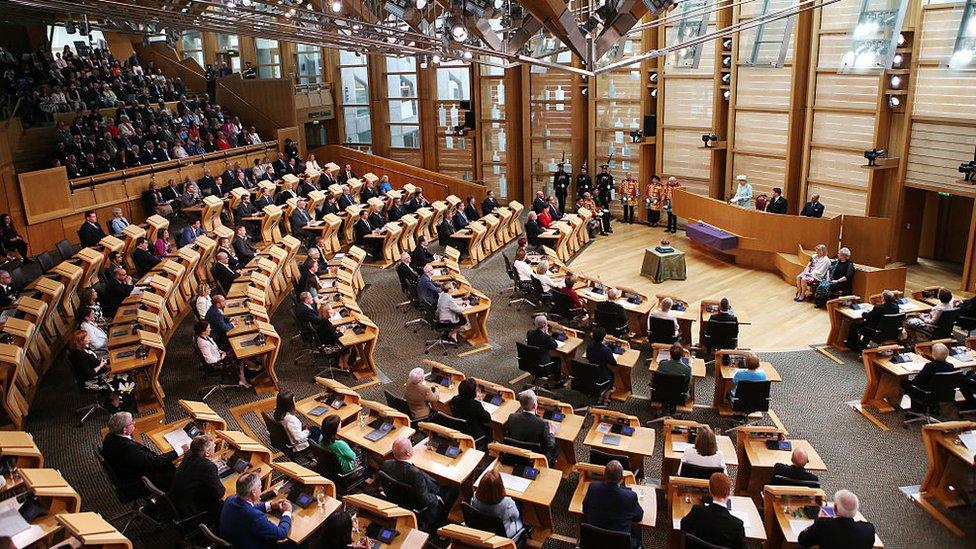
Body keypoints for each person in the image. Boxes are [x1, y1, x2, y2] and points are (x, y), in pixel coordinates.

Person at [380, 437, 458, 531]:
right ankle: (438, 523)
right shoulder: (415, 474)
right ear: (408, 453)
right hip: (419, 506)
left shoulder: (385, 464)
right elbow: (424, 499)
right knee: (454, 490)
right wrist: (436, 498)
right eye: (411, 446)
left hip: (398, 499)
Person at [102, 411, 179, 491]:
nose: (134, 422)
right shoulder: (130, 449)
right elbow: (156, 462)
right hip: (136, 481)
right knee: (177, 469)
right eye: (132, 422)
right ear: (124, 429)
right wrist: (178, 451)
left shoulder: (109, 436)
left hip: (123, 470)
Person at [219, 472, 293, 547]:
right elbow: (282, 534)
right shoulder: (255, 517)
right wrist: (287, 512)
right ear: (253, 492)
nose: (261, 488)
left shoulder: (230, 499)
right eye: (260, 486)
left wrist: (270, 506)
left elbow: (247, 508)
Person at [582, 460, 643, 549]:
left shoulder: (593, 487)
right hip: (620, 545)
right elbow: (639, 517)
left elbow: (585, 509)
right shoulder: (630, 496)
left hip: (594, 542)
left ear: (604, 475)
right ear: (622, 479)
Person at [680, 472, 746, 549]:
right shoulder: (737, 524)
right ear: (729, 492)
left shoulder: (697, 511)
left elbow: (683, 526)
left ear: (710, 490)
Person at [168, 434, 225, 522]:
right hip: (188, 510)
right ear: (207, 453)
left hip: (173, 502)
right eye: (214, 446)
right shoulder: (208, 467)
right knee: (222, 503)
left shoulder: (189, 453)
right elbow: (220, 493)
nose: (215, 447)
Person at [797, 489, 876, 548]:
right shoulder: (869, 529)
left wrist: (819, 520)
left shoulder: (823, 525)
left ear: (834, 508)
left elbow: (802, 540)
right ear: (856, 510)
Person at [504, 390, 558, 467]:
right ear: (534, 406)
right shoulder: (542, 423)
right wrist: (551, 432)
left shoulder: (512, 417)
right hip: (535, 459)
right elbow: (550, 446)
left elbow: (509, 435)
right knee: (556, 447)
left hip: (515, 455)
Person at [196, 320, 253, 388]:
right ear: (203, 331)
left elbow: (213, 347)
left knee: (237, 352)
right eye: (208, 328)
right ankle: (243, 381)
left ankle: (253, 366)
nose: (210, 329)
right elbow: (209, 360)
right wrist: (222, 357)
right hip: (217, 362)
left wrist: (220, 351)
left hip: (219, 355)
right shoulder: (203, 343)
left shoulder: (205, 337)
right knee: (238, 358)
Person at [471, 469, 524, 537]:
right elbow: (516, 516)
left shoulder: (475, 496)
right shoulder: (507, 503)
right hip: (503, 534)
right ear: (500, 486)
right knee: (518, 505)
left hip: (481, 528)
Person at [901, 342, 954, 410]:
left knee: (905, 383)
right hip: (944, 394)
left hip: (927, 394)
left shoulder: (930, 366)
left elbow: (917, 381)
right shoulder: (950, 366)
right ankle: (931, 408)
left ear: (933, 354)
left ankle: (916, 410)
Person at [449, 378, 491, 443]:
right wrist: (482, 407)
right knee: (490, 429)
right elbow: (487, 419)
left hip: (461, 429)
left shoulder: (454, 399)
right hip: (474, 433)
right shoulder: (475, 405)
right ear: (473, 392)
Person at [526, 315, 565, 383]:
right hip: (543, 363)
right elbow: (554, 345)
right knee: (558, 359)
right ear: (545, 325)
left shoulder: (529, 333)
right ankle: (557, 380)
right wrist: (547, 334)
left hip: (531, 361)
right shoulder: (546, 338)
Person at [585, 327, 616, 405]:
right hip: (602, 373)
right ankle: (606, 397)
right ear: (603, 337)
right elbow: (613, 363)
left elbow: (588, 357)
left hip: (591, 371)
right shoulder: (606, 350)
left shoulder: (589, 346)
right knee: (611, 374)